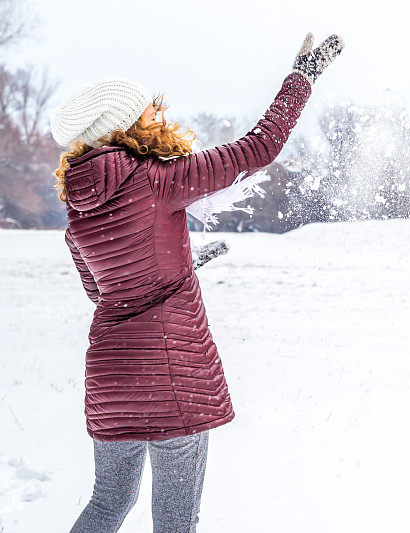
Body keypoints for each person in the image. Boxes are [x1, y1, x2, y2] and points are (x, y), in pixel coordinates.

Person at [51, 33, 343, 533]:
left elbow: (107, 293)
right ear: (123, 125)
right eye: (145, 112)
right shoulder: (158, 179)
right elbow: (260, 147)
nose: (154, 117)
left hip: (110, 380)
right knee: (174, 524)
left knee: (106, 506)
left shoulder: (76, 219)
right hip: (170, 375)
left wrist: (183, 260)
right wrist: (302, 77)